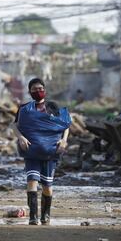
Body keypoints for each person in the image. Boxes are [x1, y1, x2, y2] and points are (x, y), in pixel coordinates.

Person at [11, 78, 71, 225]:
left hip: (50, 153)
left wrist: (64, 140)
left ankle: (46, 215)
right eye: (34, 89)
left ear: (44, 90)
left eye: (40, 88)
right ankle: (33, 217)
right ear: (29, 92)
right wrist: (21, 138)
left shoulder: (52, 107)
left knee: (47, 187)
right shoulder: (25, 109)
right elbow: (14, 125)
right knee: (32, 181)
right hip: (31, 152)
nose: (38, 92)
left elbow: (65, 125)